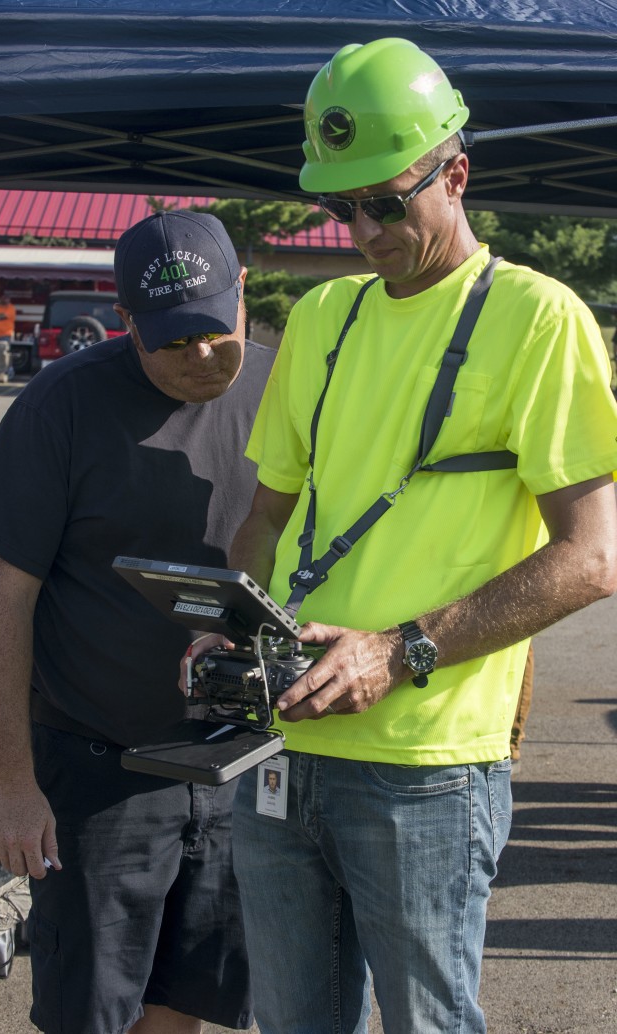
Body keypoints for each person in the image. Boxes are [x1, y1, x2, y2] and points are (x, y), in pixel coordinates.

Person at [212, 38, 617, 1034]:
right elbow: (265, 519)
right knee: (293, 1019)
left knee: (427, 1021)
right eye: (339, 205)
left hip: (428, 763)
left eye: (386, 200)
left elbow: (593, 553)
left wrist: (399, 651)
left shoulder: (535, 318)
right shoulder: (320, 316)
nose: (363, 229)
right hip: (283, 740)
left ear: (456, 173)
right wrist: (227, 628)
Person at [0, 210, 275, 1034]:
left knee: (188, 1000)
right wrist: (13, 782)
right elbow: (0, 596)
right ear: (126, 320)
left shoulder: (285, 394)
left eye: (217, 332)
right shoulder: (60, 407)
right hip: (97, 768)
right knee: (92, 1012)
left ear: (243, 290)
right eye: (173, 342)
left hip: (236, 761)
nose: (202, 358)